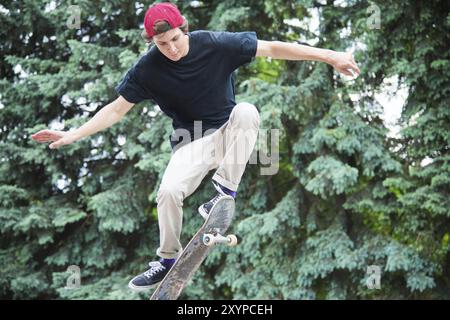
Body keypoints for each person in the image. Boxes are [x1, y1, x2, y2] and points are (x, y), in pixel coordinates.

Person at [31, 2, 360, 291]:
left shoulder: (215, 43)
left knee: (247, 111)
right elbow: (116, 109)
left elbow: (273, 48)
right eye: (162, 44)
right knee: (169, 192)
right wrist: (72, 133)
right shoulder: (147, 69)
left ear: (183, 28)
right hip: (191, 141)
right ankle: (167, 259)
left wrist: (330, 57)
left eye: (175, 39)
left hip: (229, 133)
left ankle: (224, 192)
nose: (171, 48)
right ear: (153, 42)